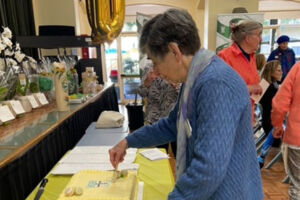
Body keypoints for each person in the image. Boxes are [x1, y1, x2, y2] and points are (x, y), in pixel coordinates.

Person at [109, 9, 263, 199]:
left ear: (175, 51)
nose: (155, 71)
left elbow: (208, 170)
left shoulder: (214, 83)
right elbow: (172, 125)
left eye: (156, 62)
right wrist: (128, 141)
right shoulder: (194, 79)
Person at [218, 20, 263, 123]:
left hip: (247, 116)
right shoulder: (224, 56)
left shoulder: (252, 57)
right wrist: (250, 88)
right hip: (229, 118)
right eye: (258, 35)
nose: (260, 39)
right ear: (247, 38)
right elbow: (220, 89)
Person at [271, 62, 300, 200]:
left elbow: (280, 102)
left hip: (297, 137)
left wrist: (277, 125)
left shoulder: (298, 68)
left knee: (297, 186)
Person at [138, 60, 179, 154]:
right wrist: (147, 82)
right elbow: (141, 93)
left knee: (177, 151)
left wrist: (175, 85)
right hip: (155, 117)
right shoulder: (148, 68)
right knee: (160, 152)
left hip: (173, 116)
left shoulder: (175, 67)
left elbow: (185, 92)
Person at [257, 60, 282, 168]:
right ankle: (262, 156)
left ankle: (262, 156)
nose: (282, 72)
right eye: (278, 70)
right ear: (271, 72)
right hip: (271, 124)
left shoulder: (264, 84)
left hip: (266, 121)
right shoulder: (271, 88)